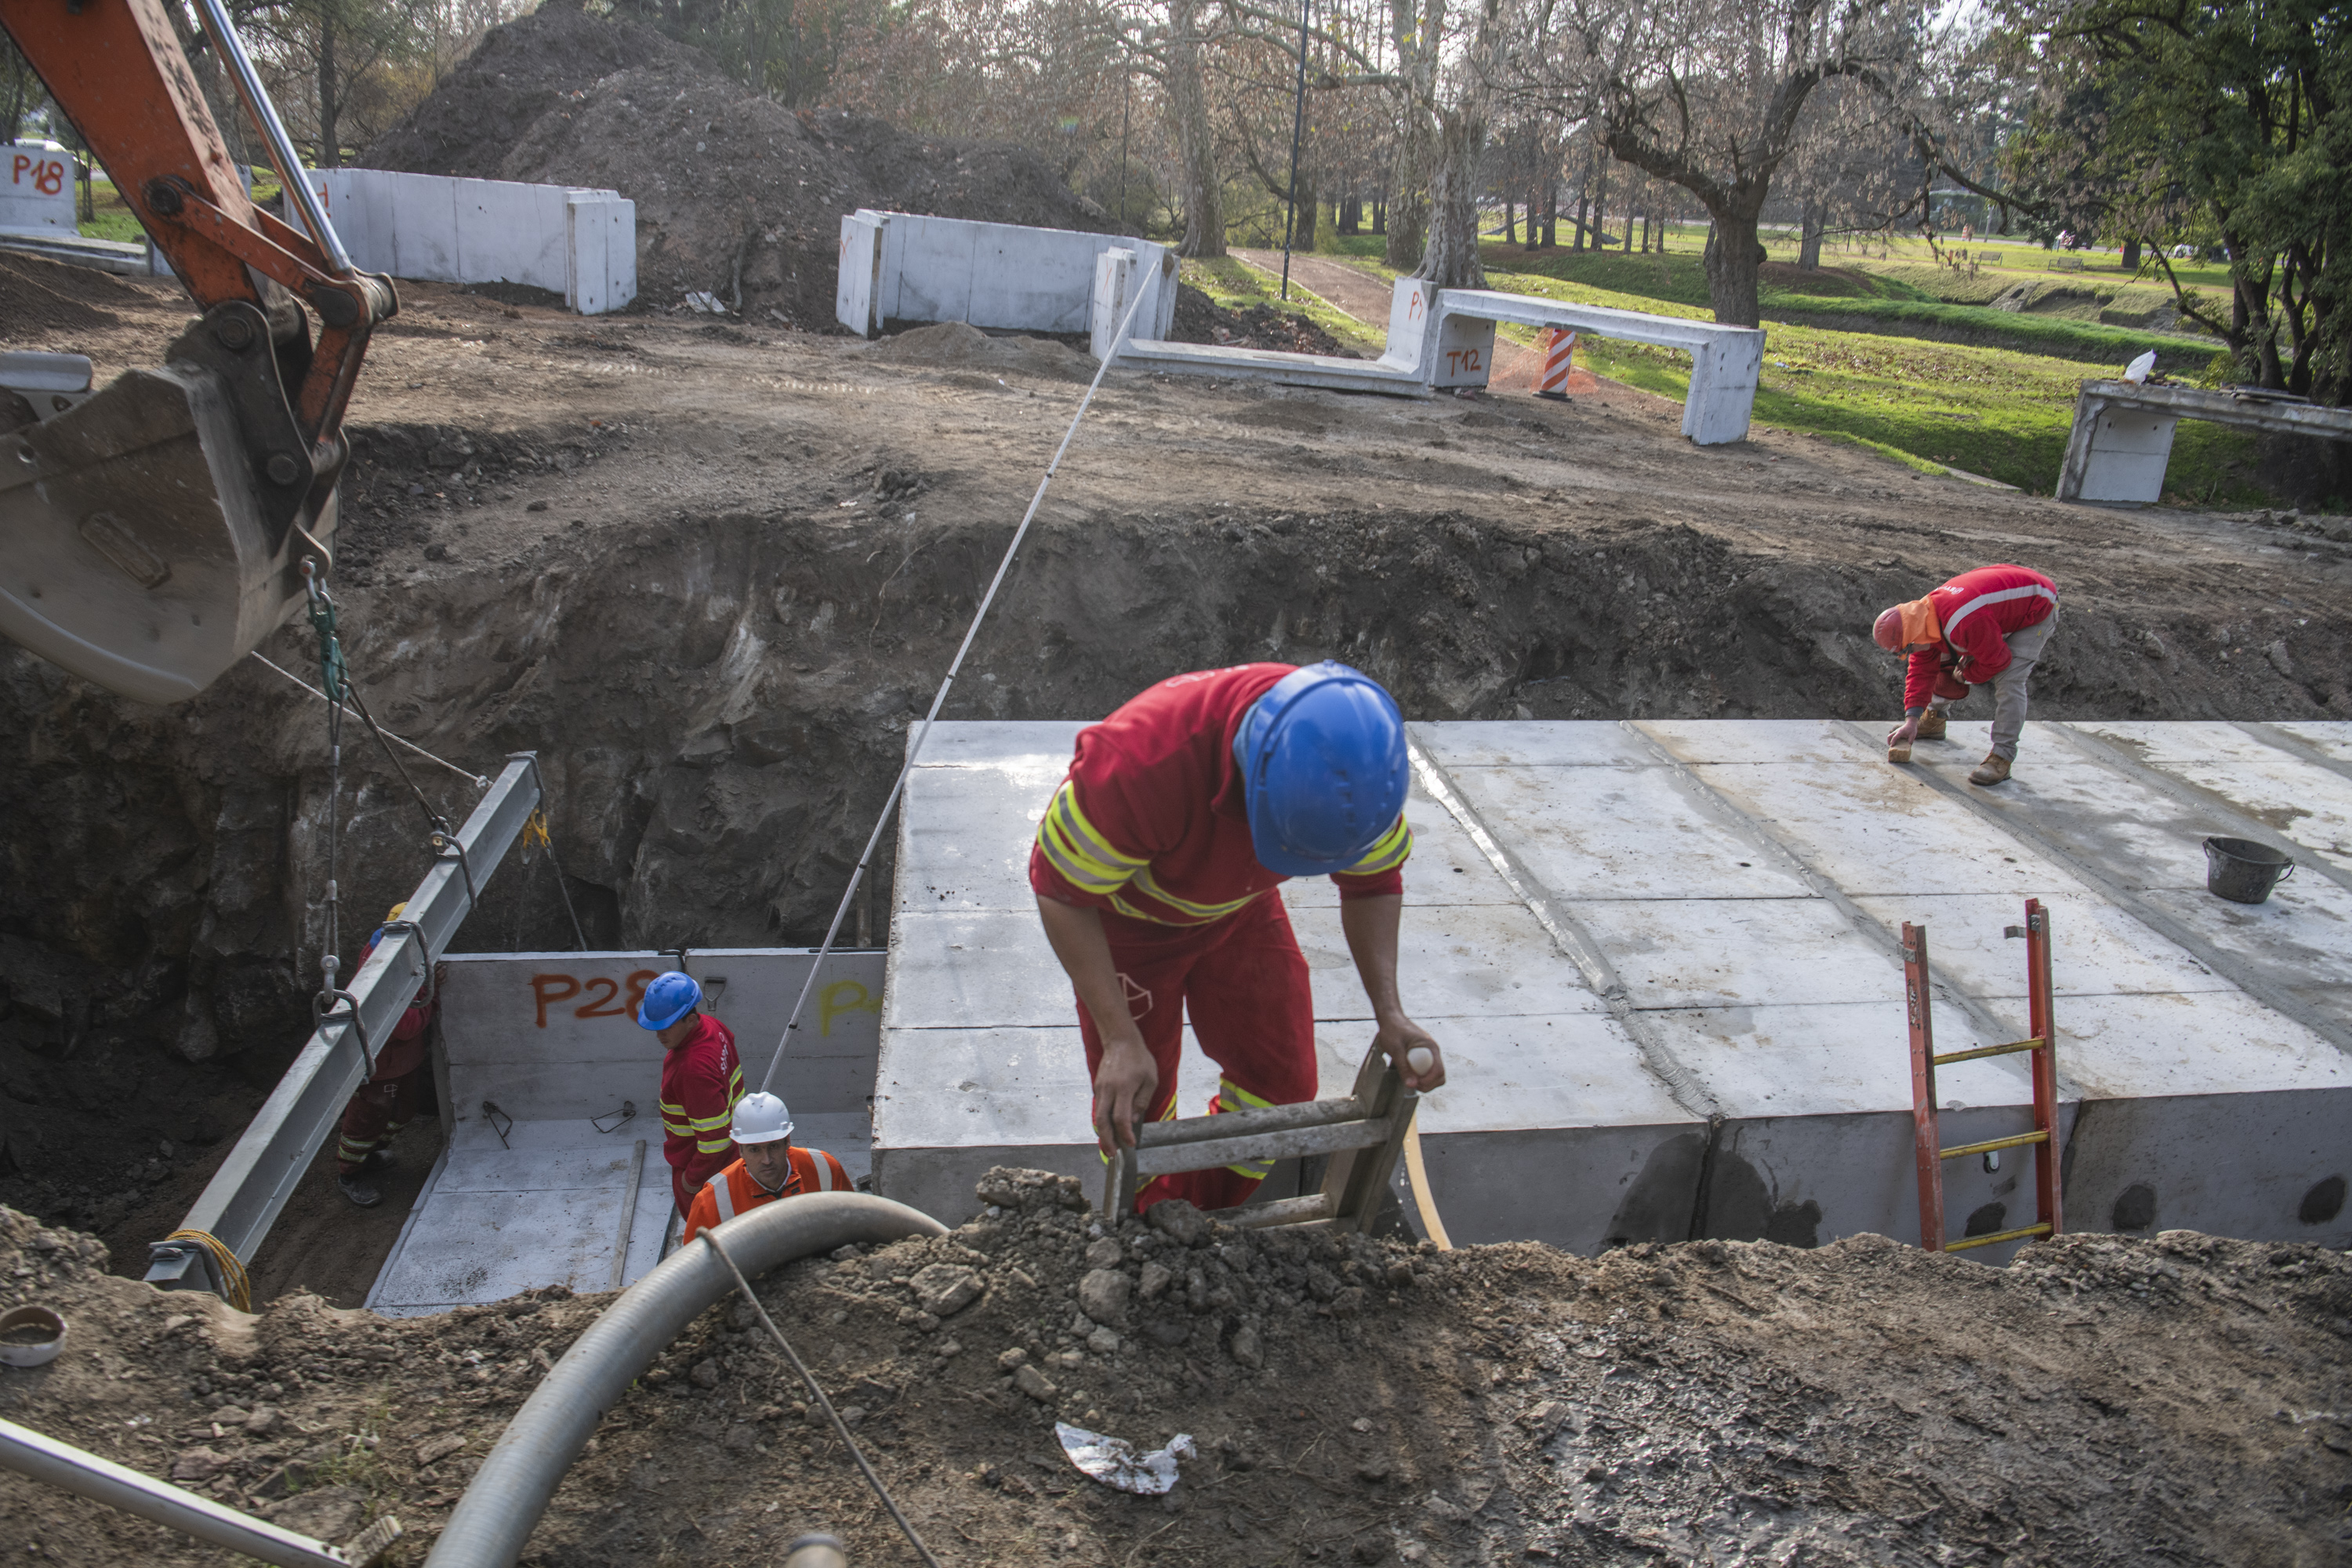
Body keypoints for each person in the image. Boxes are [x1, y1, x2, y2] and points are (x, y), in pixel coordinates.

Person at [1029, 662, 1446, 1216]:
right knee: (1136, 1106)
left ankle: (1197, 1222)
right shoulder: (1142, 765)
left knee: (1281, 1080)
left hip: (1238, 913)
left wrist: (1389, 1011)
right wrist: (1119, 1037)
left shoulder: (1357, 774)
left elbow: (1372, 884)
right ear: (1250, 780)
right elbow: (1061, 892)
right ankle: (1136, 1228)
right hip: (1127, 927)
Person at [1875, 564, 2060, 786]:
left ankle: (2002, 757)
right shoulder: (1922, 617)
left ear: (1913, 639)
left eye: (1906, 650)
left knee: (2009, 679)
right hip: (1996, 604)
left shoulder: (1963, 621)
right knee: (1942, 655)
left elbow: (1998, 661)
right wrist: (1911, 720)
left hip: (2038, 603)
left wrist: (1967, 675)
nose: (1908, 656)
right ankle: (1934, 721)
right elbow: (1921, 671)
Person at [336, 904, 439, 1207]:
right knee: (369, 1115)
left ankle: (371, 1153)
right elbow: (406, 1026)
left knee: (403, 1110)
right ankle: (350, 1173)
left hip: (404, 1060)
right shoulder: (383, 971)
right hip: (381, 1064)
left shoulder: (401, 954)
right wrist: (434, 995)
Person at [678, 1092, 852, 1244]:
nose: (767, 1160)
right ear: (740, 1149)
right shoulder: (711, 1202)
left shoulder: (825, 1169)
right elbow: (692, 1271)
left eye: (774, 1146)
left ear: (787, 1141)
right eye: (755, 1150)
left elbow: (855, 1225)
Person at [644, 970, 743, 1216]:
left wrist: (692, 1180)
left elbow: (715, 1140)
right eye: (656, 1027)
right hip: (735, 1143)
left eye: (666, 1026)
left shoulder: (692, 1070)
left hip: (702, 1162)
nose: (659, 1035)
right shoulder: (712, 1026)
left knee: (704, 1228)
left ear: (689, 1019)